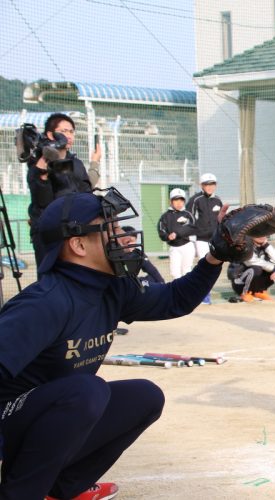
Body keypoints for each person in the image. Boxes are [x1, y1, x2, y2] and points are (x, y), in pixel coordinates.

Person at [0, 189, 228, 499]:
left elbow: (175, 299)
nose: (124, 236)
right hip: (8, 422)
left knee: (144, 396)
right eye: (112, 229)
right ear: (78, 245)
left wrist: (216, 255)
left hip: (47, 417)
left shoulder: (113, 288)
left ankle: (58, 490)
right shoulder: (44, 303)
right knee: (86, 391)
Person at [27, 113, 102, 271]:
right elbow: (43, 199)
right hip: (50, 232)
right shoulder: (40, 163)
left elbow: (83, 189)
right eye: (64, 131)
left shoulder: (75, 163)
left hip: (75, 229)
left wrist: (95, 162)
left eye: (71, 131)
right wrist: (44, 165)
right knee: (51, 277)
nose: (69, 135)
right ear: (50, 134)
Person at [186, 173, 223, 304]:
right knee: (204, 265)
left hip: (214, 239)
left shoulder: (218, 200)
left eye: (212, 184)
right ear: (201, 185)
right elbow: (188, 217)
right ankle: (202, 295)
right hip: (200, 238)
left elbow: (220, 220)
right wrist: (191, 236)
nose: (210, 187)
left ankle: (205, 294)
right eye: (207, 184)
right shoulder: (195, 199)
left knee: (213, 266)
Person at [157, 188, 197, 280]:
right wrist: (167, 236)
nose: (179, 202)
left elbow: (192, 227)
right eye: (176, 200)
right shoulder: (165, 216)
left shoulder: (188, 214)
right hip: (174, 248)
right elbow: (161, 230)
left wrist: (177, 233)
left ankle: (187, 293)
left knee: (187, 271)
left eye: (181, 200)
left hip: (187, 245)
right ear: (170, 201)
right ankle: (179, 292)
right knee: (175, 272)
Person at [227, 236, 275, 302]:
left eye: (264, 234)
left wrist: (266, 245)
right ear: (252, 234)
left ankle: (259, 292)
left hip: (254, 281)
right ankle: (245, 293)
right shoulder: (244, 245)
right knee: (257, 269)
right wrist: (273, 268)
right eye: (258, 234)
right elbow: (251, 261)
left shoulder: (263, 246)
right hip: (240, 282)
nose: (261, 236)